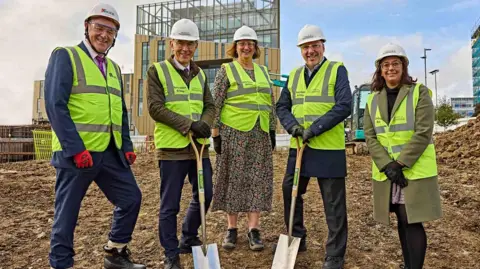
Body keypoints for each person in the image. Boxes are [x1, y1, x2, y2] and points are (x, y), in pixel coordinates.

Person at [44, 3, 145, 269]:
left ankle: (115, 252)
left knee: (131, 198)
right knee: (67, 215)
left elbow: (120, 111)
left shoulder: (113, 68)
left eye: (110, 30)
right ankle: (60, 263)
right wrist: (75, 149)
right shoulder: (65, 56)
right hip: (76, 155)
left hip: (109, 153)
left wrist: (125, 145)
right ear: (87, 27)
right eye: (99, 27)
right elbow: (55, 105)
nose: (104, 34)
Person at [276, 24, 352, 269]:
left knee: (333, 204)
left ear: (323, 46)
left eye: (314, 46)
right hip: (300, 147)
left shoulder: (337, 70)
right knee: (291, 190)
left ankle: (335, 254)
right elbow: (282, 107)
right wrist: (293, 128)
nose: (310, 51)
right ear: (300, 50)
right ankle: (297, 236)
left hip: (328, 149)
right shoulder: (295, 75)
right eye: (305, 47)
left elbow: (343, 106)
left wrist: (315, 129)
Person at [364, 43, 443, 269]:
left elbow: (423, 131)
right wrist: (387, 165)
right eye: (386, 64)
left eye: (395, 63)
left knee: (412, 220)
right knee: (401, 218)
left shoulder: (420, 93)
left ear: (404, 66)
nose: (391, 68)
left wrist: (399, 163)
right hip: (389, 172)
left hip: (413, 169)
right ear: (380, 70)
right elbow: (370, 137)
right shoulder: (372, 99)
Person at [146, 18, 215, 269]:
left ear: (196, 46)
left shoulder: (200, 75)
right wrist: (189, 124)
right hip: (172, 149)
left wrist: (205, 123)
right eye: (181, 43)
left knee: (205, 193)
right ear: (172, 43)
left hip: (199, 147)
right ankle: (171, 253)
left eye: (191, 44)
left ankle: (188, 236)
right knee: (170, 205)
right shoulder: (157, 70)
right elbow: (155, 108)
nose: (185, 49)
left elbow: (210, 105)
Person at [210, 25, 276, 251]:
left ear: (255, 48)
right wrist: (215, 135)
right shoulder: (226, 70)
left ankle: (254, 229)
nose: (246, 47)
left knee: (257, 179)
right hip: (233, 133)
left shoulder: (264, 72)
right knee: (233, 179)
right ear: (235, 48)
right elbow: (215, 104)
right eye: (242, 43)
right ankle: (231, 229)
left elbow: (270, 103)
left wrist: (273, 130)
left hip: (259, 133)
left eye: (250, 43)